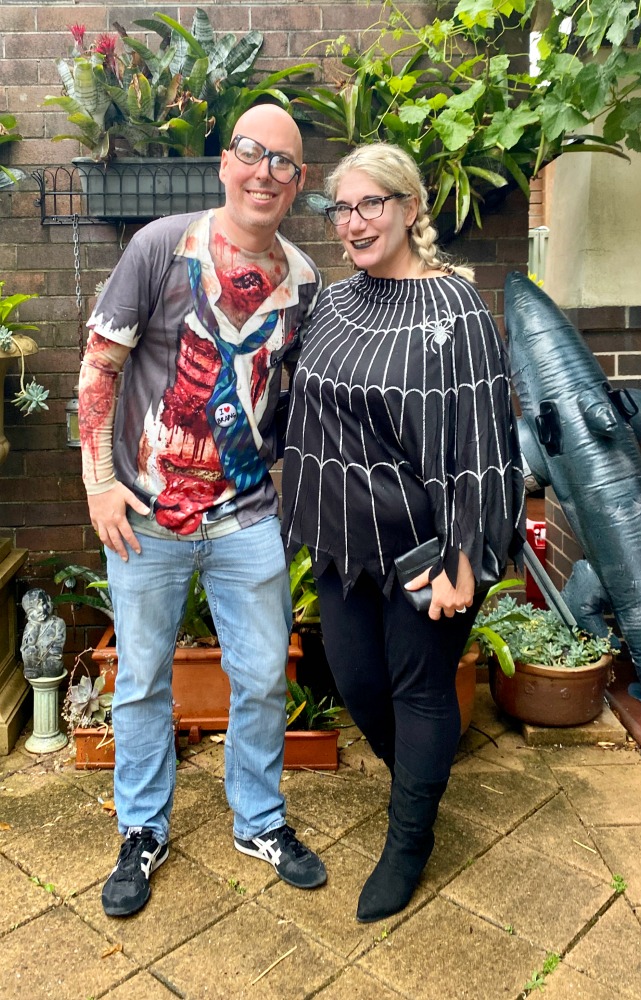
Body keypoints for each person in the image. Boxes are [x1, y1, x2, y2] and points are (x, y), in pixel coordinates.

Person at [78, 104, 326, 919]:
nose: (265, 173)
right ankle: (142, 829)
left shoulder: (303, 281)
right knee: (142, 681)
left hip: (248, 515)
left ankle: (257, 819)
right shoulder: (160, 246)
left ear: (296, 185)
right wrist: (99, 482)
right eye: (253, 154)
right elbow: (98, 367)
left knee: (259, 676)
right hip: (144, 516)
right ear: (225, 162)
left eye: (283, 163)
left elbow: (290, 395)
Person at [282, 143, 525, 923]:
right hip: (341, 544)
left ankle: (409, 837)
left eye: (370, 205)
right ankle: (417, 784)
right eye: (340, 209)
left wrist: (464, 557)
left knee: (419, 690)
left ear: (410, 208)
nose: (352, 223)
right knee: (355, 683)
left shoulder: (454, 311)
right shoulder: (332, 302)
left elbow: (483, 445)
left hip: (425, 548)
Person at [20, 589, 66, 680]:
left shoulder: (58, 623)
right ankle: (33, 669)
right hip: (34, 660)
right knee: (29, 650)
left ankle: (45, 669)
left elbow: (59, 642)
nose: (38, 611)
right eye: (31, 611)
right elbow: (27, 644)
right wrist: (35, 627)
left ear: (48, 600)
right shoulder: (30, 626)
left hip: (50, 657)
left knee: (53, 665)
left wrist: (51, 651)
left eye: (40, 604)